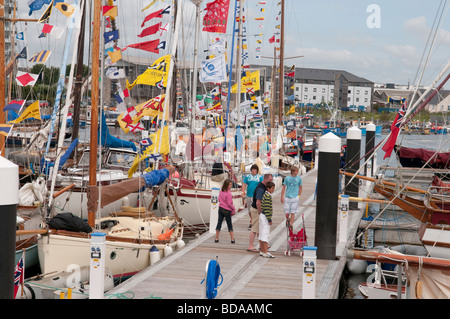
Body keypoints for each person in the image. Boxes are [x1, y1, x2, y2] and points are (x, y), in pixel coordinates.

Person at [247, 173, 273, 252]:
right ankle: (250, 246)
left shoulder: (263, 187)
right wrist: (261, 212)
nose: (271, 181)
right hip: (256, 210)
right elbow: (258, 202)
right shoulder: (261, 188)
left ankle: (262, 245)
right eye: (270, 179)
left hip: (257, 210)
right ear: (265, 179)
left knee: (259, 228)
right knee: (254, 228)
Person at [242, 164, 263, 229]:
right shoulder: (247, 177)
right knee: (249, 210)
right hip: (249, 195)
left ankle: (252, 222)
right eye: (253, 169)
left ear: (257, 170)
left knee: (254, 209)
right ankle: (252, 220)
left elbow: (262, 185)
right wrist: (242, 192)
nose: (253, 170)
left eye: (255, 169)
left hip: (256, 196)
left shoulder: (259, 177)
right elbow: (244, 184)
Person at [215, 179, 236, 243]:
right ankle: (232, 239)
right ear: (227, 185)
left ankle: (216, 238)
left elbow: (219, 199)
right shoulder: (228, 193)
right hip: (227, 210)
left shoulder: (221, 192)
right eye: (230, 184)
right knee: (229, 224)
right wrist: (233, 208)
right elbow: (229, 203)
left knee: (219, 223)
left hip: (221, 208)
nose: (231, 185)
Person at [259, 181, 275, 258]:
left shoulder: (265, 194)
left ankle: (262, 250)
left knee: (262, 233)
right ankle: (266, 251)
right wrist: (269, 219)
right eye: (272, 188)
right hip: (265, 217)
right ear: (268, 188)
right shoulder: (268, 196)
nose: (273, 190)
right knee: (265, 234)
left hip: (262, 215)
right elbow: (267, 208)